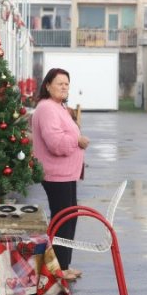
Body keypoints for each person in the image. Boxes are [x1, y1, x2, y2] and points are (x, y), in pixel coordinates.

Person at [31, 68, 90, 281]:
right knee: (62, 221)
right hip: (57, 175)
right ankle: (58, 268)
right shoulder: (47, 108)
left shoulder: (58, 107)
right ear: (48, 85)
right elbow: (55, 143)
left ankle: (64, 265)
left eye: (67, 83)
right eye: (59, 83)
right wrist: (77, 140)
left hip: (66, 174)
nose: (64, 87)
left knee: (69, 220)